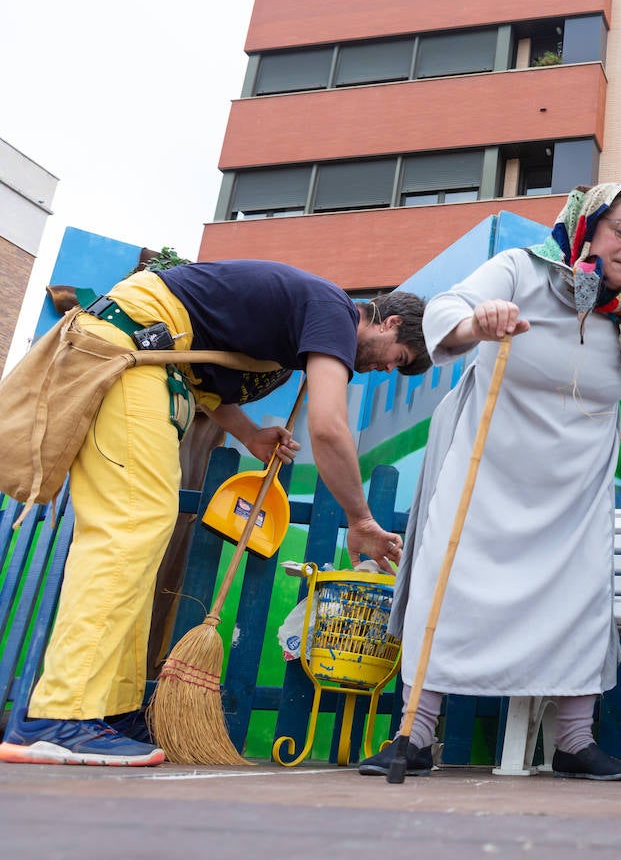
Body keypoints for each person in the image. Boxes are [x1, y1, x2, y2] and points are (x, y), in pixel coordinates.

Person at [363, 176, 621, 781]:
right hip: (488, 468)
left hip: (572, 485)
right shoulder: (520, 270)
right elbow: (450, 310)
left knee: (579, 597)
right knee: (448, 581)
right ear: (587, 225)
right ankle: (416, 733)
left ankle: (575, 741)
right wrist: (481, 323)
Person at [0, 260, 431, 767]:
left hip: (155, 368)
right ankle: (62, 715)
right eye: (395, 359)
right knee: (130, 529)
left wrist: (249, 433)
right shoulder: (332, 308)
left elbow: (203, 382)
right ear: (390, 323)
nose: (384, 370)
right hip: (132, 355)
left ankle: (106, 711)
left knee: (142, 533)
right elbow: (330, 427)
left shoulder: (288, 342)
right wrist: (360, 520)